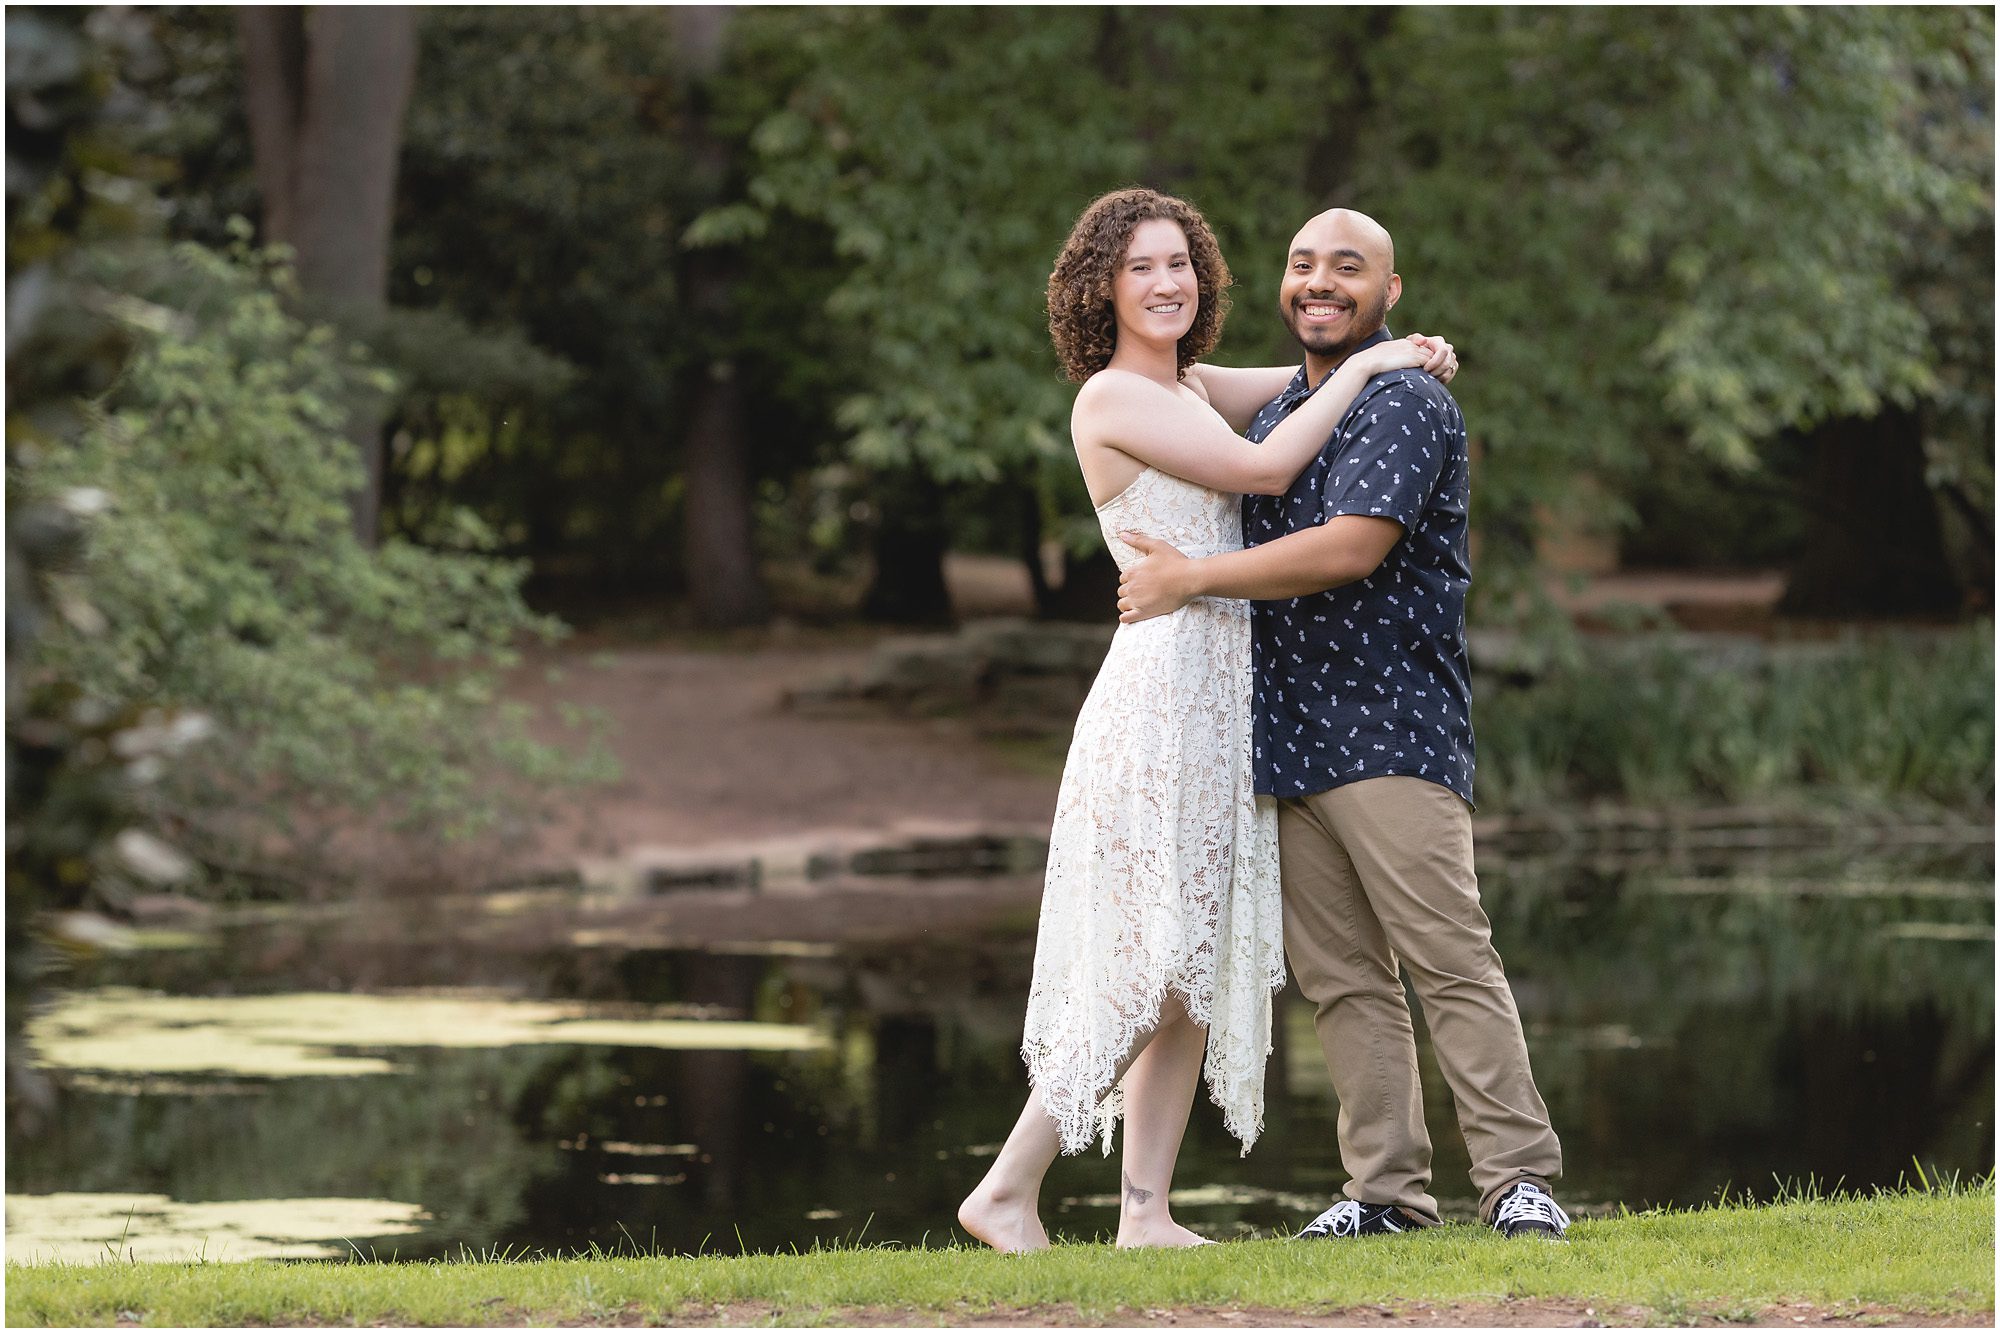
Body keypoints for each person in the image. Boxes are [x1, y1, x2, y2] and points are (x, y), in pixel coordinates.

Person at [956, 188, 1458, 1252]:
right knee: (1152, 956)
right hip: (1161, 691)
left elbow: (1300, 380)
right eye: (1141, 266)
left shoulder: (1183, 385)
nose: (1167, 281)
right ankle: (1006, 1186)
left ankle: (1145, 1212)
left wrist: (1391, 345)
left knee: (1192, 969)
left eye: (1181, 263)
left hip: (1220, 687)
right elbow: (1271, 465)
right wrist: (1373, 368)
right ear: (1101, 285)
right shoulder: (1111, 399)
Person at [1114, 208, 1570, 1241]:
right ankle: (1384, 1194)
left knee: (1446, 956)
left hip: (1387, 728)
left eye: (1347, 269)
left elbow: (1345, 548)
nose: (1319, 283)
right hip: (1286, 732)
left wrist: (1187, 578)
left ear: (1388, 292)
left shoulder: (1402, 402)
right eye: (1302, 266)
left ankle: (1516, 1180)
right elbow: (1174, 380)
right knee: (1342, 982)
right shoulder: (1295, 399)